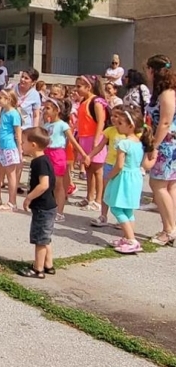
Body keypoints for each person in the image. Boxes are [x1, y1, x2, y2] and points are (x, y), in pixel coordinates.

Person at [102, 106, 156, 254]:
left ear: (130, 126)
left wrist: (109, 176)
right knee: (128, 209)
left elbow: (119, 165)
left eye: (120, 124)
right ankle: (127, 237)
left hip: (123, 178)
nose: (117, 126)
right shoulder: (139, 143)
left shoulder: (123, 143)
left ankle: (132, 240)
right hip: (135, 177)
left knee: (116, 207)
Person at [144, 54, 176, 246]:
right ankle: (170, 226)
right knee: (170, 185)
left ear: (152, 70)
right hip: (169, 144)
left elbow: (165, 122)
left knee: (158, 185)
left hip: (165, 145)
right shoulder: (166, 92)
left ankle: (169, 230)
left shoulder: (167, 93)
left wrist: (154, 146)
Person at [18, 127, 57, 279]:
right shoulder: (44, 159)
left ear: (33, 145)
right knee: (45, 238)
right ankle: (49, 264)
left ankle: (38, 269)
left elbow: (44, 184)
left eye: (23, 142)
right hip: (49, 205)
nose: (21, 145)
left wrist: (29, 197)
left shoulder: (38, 162)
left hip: (43, 206)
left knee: (40, 240)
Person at [42, 98, 87, 223]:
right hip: (47, 153)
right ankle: (50, 208)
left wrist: (83, 154)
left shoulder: (63, 125)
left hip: (58, 154)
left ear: (57, 110)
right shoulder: (46, 125)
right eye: (45, 108)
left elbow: (72, 140)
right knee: (48, 183)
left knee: (58, 184)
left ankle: (60, 212)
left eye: (48, 108)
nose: (45, 111)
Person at [75, 75, 109, 213]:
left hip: (95, 138)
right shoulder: (84, 101)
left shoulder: (97, 102)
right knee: (88, 169)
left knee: (97, 170)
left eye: (79, 86)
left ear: (88, 87)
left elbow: (101, 121)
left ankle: (98, 200)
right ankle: (89, 197)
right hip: (84, 138)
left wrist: (97, 139)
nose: (76, 89)